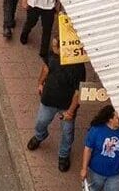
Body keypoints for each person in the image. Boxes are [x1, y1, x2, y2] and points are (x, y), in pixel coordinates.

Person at [26, 38, 85, 173]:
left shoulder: (77, 67)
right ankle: (40, 135)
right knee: (41, 121)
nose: (52, 47)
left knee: (67, 132)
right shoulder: (53, 55)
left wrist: (70, 111)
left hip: (66, 105)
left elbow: (78, 91)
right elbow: (46, 68)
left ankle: (63, 155)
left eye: (55, 45)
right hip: (49, 100)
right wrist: (40, 83)